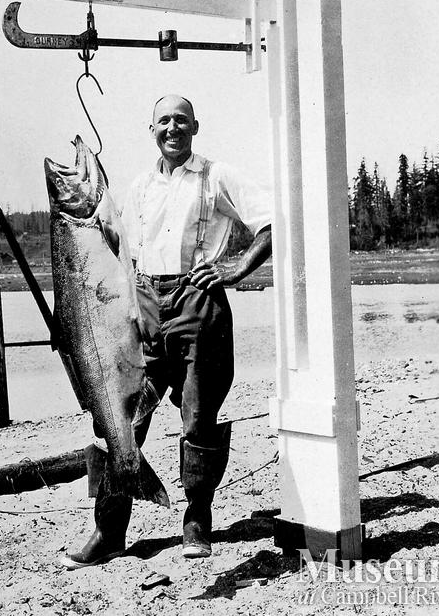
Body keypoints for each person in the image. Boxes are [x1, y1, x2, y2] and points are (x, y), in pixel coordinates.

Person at [62, 94, 272, 568]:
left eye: (181, 120)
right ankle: (108, 531)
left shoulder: (217, 176)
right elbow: (112, 250)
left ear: (195, 125)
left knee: (198, 418)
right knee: (118, 419)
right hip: (144, 307)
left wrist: (236, 269)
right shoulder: (137, 187)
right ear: (151, 128)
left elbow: (272, 224)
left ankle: (197, 518)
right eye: (163, 121)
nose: (172, 128)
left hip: (200, 304)